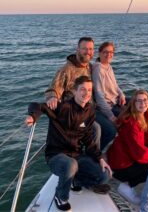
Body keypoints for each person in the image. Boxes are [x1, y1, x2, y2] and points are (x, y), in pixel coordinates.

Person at [25, 76, 112, 212]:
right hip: (56, 155)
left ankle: (75, 181)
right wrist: (32, 116)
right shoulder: (62, 107)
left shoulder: (89, 111)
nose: (86, 93)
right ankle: (60, 196)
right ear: (74, 91)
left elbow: (88, 139)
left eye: (89, 90)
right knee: (71, 165)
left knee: (105, 174)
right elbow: (37, 106)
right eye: (82, 89)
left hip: (76, 154)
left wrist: (100, 158)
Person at [45, 36, 101, 148]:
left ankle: (102, 157)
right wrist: (52, 97)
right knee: (96, 129)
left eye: (90, 49)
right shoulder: (67, 69)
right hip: (76, 114)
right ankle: (94, 160)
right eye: (84, 49)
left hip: (90, 109)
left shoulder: (89, 67)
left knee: (115, 121)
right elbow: (54, 88)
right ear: (77, 50)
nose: (88, 52)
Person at [107, 89, 148, 205]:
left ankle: (133, 182)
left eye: (145, 100)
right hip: (121, 166)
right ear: (133, 104)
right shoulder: (132, 123)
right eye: (139, 101)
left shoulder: (145, 117)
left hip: (130, 158)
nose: (143, 104)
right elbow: (139, 153)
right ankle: (125, 186)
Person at [92, 41, 126, 150]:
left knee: (140, 102)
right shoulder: (98, 69)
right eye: (105, 52)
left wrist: (121, 94)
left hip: (115, 100)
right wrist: (110, 115)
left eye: (111, 52)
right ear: (100, 53)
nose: (108, 54)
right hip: (107, 106)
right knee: (129, 118)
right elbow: (99, 95)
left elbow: (115, 86)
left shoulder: (108, 66)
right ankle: (97, 152)